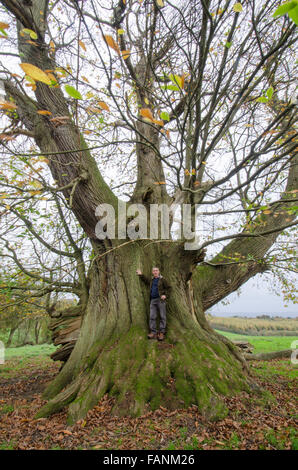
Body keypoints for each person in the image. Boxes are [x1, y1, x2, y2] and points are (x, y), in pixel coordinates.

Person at [136, 267, 171, 341]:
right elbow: (146, 280)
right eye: (154, 271)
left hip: (160, 300)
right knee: (152, 316)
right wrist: (140, 274)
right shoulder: (152, 280)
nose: (155, 272)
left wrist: (165, 295)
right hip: (152, 300)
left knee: (162, 316)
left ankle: (161, 332)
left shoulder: (162, 279)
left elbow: (169, 288)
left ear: (159, 271)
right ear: (152, 272)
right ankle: (153, 332)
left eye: (156, 270)